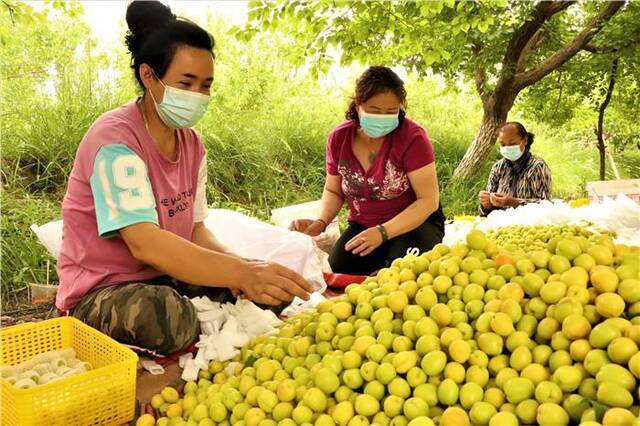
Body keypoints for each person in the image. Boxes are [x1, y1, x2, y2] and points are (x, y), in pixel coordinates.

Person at [56, 0, 311, 355]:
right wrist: (238, 274)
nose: (198, 96)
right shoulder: (115, 141)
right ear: (149, 76)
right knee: (168, 317)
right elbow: (144, 242)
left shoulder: (192, 145)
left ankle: (212, 319)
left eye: (206, 85)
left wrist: (244, 268)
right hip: (106, 291)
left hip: (168, 279)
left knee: (269, 292)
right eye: (186, 83)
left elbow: (195, 230)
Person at [290, 66, 445, 275]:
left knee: (404, 273)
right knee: (340, 270)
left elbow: (427, 200)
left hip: (414, 224)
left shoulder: (413, 138)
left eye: (391, 112)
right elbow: (334, 191)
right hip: (364, 225)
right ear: (358, 105)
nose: (383, 117)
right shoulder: (339, 138)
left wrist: (383, 232)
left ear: (401, 107)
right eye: (374, 110)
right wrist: (321, 222)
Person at [478, 122, 552, 215]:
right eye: (503, 145)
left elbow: (545, 206)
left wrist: (514, 202)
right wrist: (486, 205)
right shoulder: (498, 167)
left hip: (529, 225)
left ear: (525, 140)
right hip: (499, 223)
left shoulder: (537, 167)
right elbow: (487, 211)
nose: (507, 148)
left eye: (512, 144)